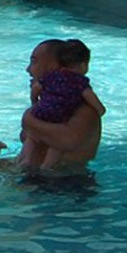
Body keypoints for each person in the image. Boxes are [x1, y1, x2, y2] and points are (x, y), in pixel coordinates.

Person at [19, 39, 104, 174]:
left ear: (56, 67)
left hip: (62, 186)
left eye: (34, 62)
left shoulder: (85, 110)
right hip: (40, 180)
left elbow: (67, 140)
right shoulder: (51, 108)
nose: (28, 69)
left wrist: (28, 119)